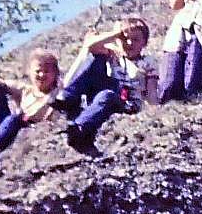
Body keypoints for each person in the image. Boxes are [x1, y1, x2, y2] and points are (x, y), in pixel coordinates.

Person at [57, 17, 155, 156]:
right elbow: (90, 46)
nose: (129, 43)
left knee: (106, 95)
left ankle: (79, 128)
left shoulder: (148, 62)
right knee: (96, 58)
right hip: (109, 92)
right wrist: (115, 34)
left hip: (128, 103)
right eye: (125, 39)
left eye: (135, 39)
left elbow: (151, 93)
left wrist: (152, 110)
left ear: (144, 42)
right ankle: (68, 97)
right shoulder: (114, 54)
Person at [0, 49, 61, 176]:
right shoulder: (26, 90)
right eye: (38, 71)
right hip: (4, 127)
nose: (41, 75)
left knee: (15, 119)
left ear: (55, 73)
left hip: (23, 125)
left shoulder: (58, 93)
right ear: (30, 72)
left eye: (47, 71)